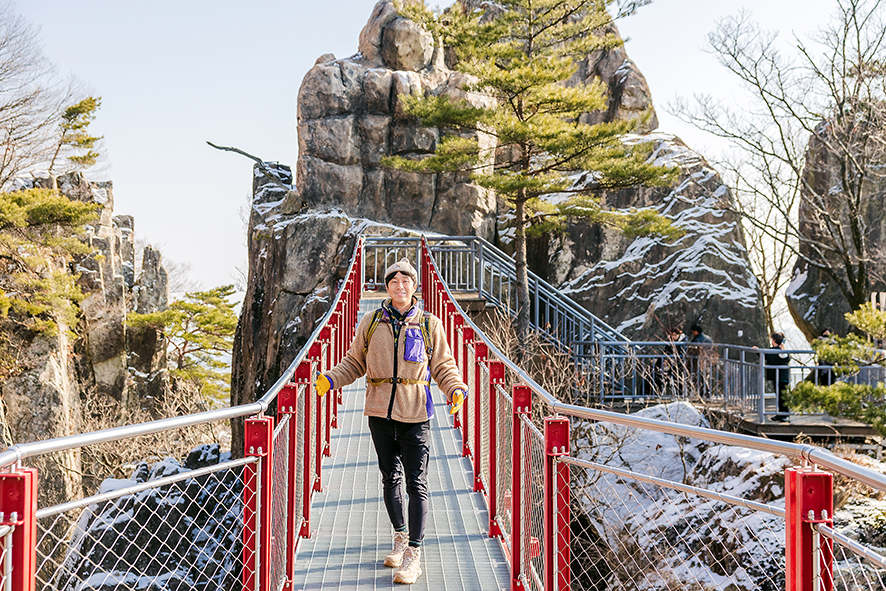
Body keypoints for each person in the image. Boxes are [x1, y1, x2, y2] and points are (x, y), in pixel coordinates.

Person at [314, 258, 467, 585]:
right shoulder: (370, 322)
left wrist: (455, 388)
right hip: (379, 411)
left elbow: (443, 365)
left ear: (415, 286)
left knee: (416, 483)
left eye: (406, 281)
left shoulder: (429, 324)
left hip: (416, 413)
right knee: (390, 478)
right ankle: (399, 537)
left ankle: (414, 552)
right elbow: (354, 362)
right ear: (387, 286)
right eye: (393, 281)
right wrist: (330, 379)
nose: (400, 286)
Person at [764, 332, 791, 422]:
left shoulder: (779, 351)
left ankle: (785, 414)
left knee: (782, 396)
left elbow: (785, 358)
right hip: (779, 376)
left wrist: (783, 350)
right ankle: (781, 413)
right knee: (780, 396)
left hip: (781, 377)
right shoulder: (775, 350)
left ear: (774, 340)